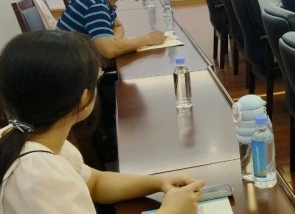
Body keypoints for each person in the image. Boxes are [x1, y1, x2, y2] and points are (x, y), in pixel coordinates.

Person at [0, 30, 204, 214]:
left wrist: (159, 182)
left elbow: (95, 183)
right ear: (83, 99)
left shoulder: (22, 135)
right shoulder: (39, 174)